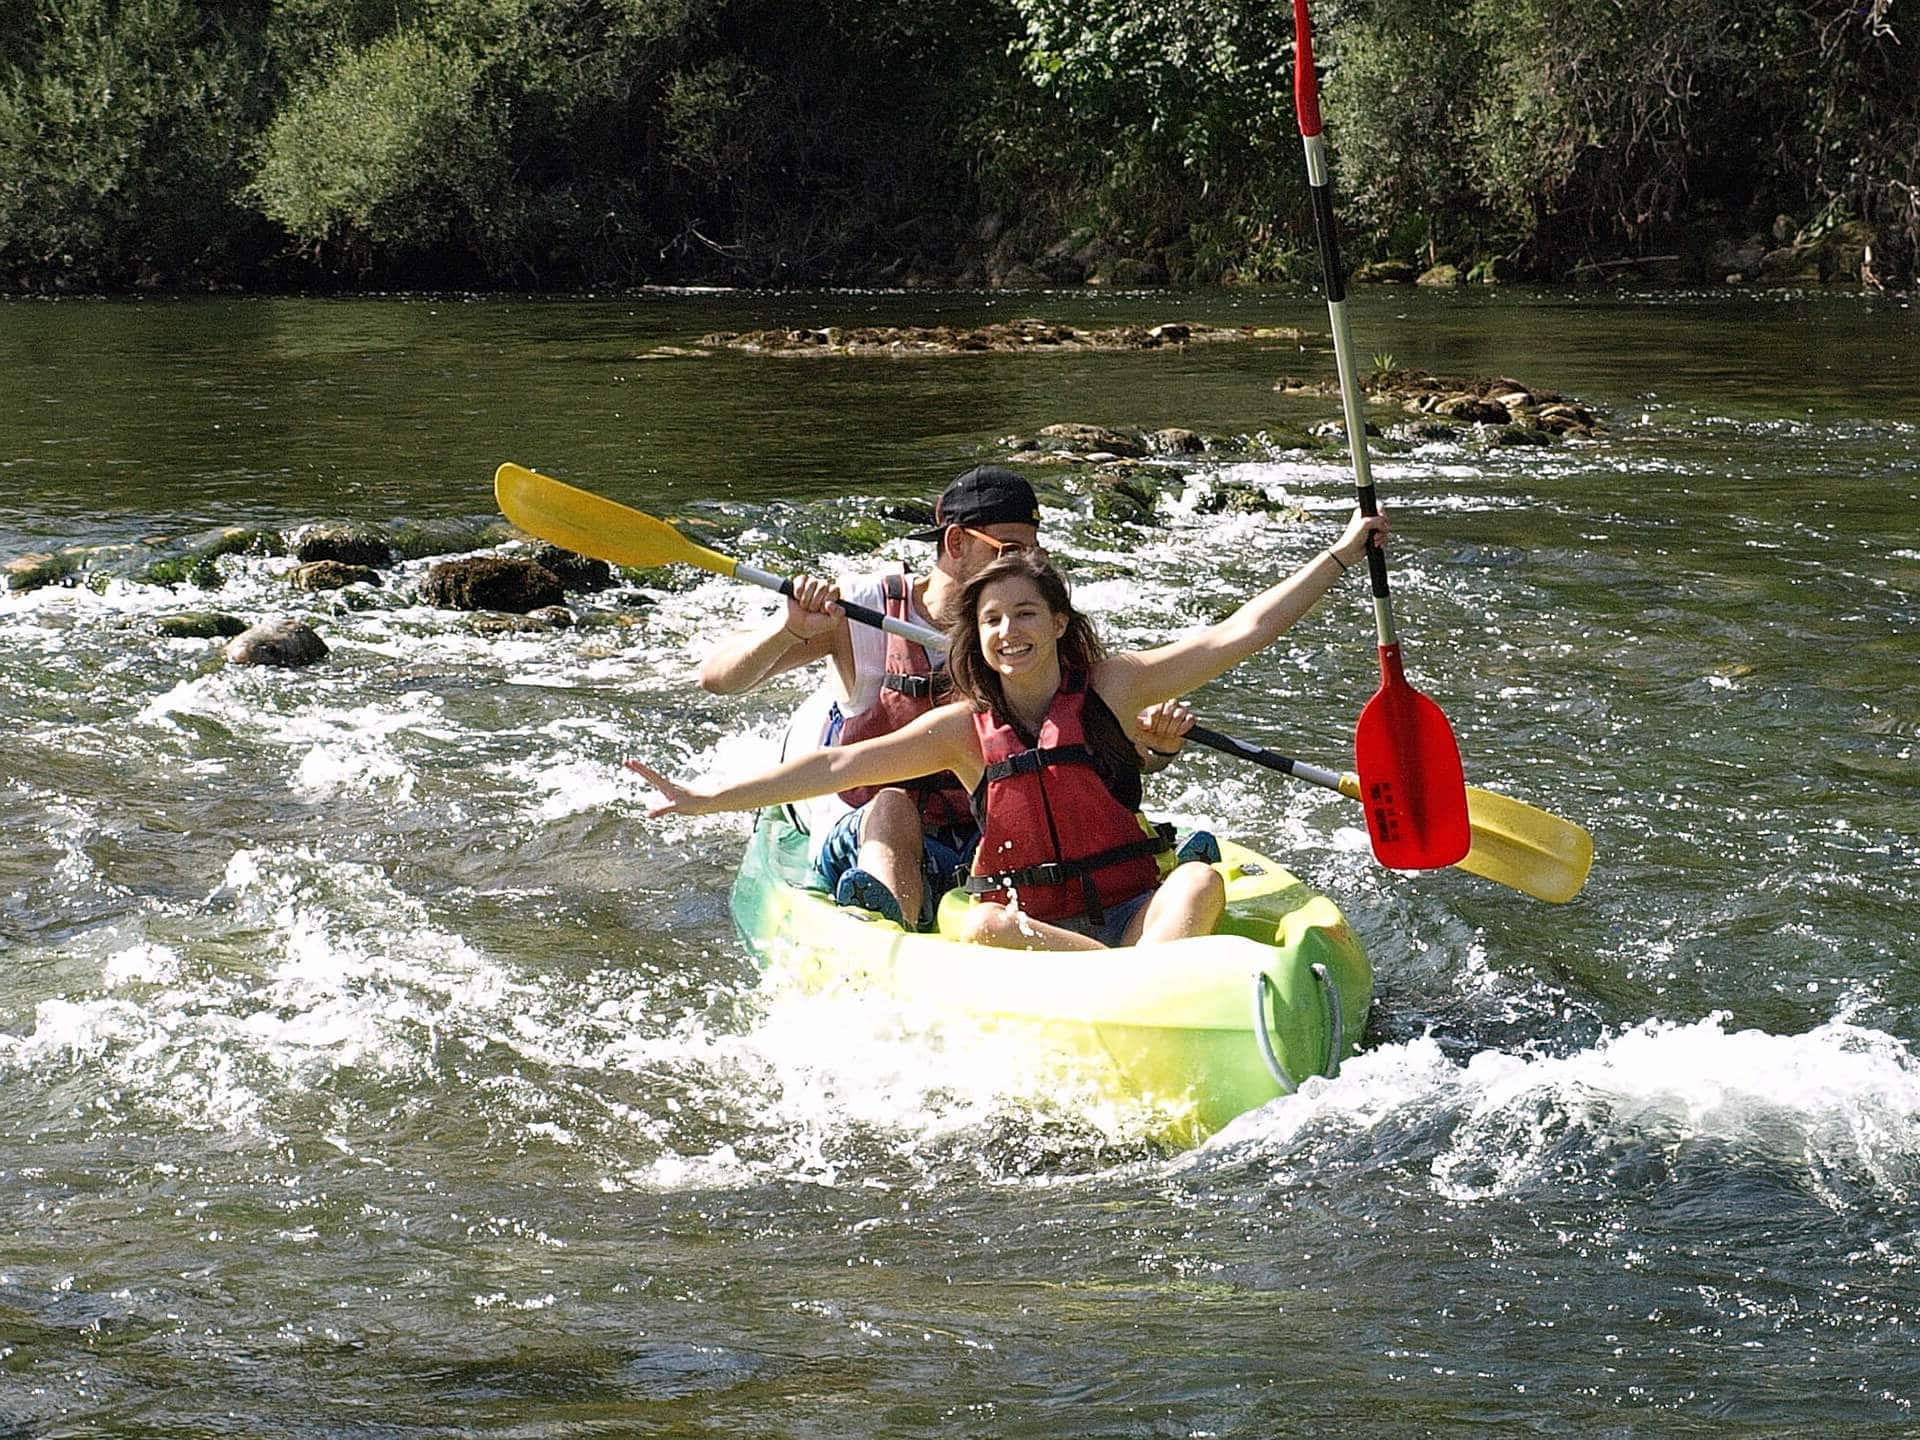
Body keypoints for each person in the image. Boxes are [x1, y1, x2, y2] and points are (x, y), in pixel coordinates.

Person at [631, 509, 1387, 951]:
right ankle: (1132, 989)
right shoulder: (962, 729)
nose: (1009, 632)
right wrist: (706, 799)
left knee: (1194, 878)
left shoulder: (1115, 686)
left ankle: (1143, 988)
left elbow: (1243, 631)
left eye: (1025, 614)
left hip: (1131, 916)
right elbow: (837, 767)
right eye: (992, 620)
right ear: (977, 639)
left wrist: (1342, 553)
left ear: (1059, 623)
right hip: (1035, 934)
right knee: (987, 927)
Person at [695, 465, 1044, 932]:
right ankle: (889, 926)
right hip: (870, 830)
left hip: (980, 828)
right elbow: (717, 678)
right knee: (894, 805)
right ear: (957, 543)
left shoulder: (1020, 625)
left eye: (1033, 550)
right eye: (1010, 550)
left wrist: (1153, 738)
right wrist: (789, 630)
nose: (1025, 566)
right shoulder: (863, 610)